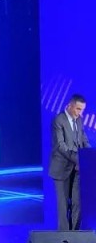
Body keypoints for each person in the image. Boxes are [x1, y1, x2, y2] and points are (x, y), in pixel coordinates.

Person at [49, 94, 91, 230]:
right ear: (70, 105)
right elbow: (60, 146)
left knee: (77, 203)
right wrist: (79, 159)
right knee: (63, 205)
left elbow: (84, 140)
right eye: (78, 109)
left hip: (77, 170)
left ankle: (75, 234)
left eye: (82, 110)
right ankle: (64, 235)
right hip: (61, 169)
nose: (80, 113)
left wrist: (89, 156)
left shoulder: (79, 120)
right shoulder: (58, 120)